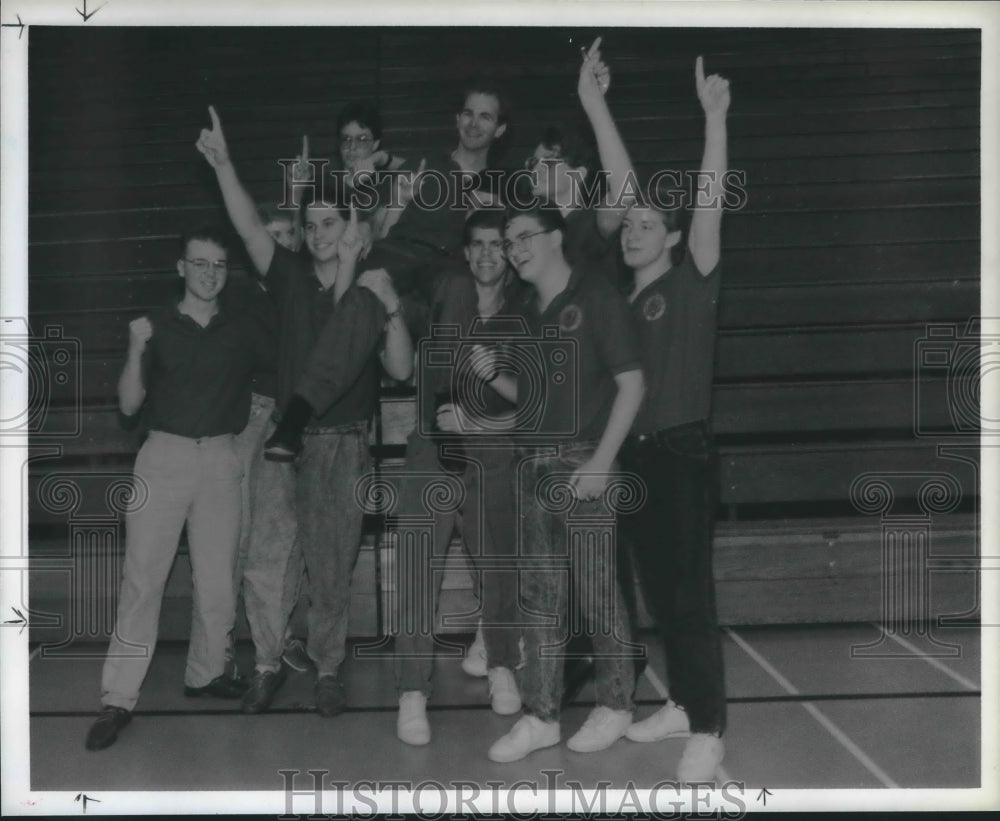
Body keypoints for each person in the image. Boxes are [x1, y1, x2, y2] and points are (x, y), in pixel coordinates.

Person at [196, 106, 413, 717]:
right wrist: (224, 165)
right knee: (268, 557)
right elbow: (246, 229)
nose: (317, 234)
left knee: (330, 567)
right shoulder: (289, 275)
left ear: (351, 226)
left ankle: (326, 668)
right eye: (310, 224)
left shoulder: (372, 284)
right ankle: (267, 663)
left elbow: (400, 369)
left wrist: (391, 307)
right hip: (281, 441)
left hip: (341, 440)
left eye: (329, 223)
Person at [85, 227, 273, 751]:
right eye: (200, 263)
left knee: (217, 580)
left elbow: (287, 362)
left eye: (218, 265)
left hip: (219, 456)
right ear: (181, 268)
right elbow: (127, 406)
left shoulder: (242, 329)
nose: (209, 273)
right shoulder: (155, 326)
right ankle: (118, 696)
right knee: (143, 580)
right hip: (161, 457)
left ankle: (207, 673)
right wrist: (134, 346)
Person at [263, 80, 512, 461]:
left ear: (499, 128)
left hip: (446, 269)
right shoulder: (427, 160)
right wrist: (392, 198)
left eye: (485, 116)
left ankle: (446, 414)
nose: (474, 123)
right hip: (400, 252)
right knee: (365, 294)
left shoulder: (504, 187)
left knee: (461, 288)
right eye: (468, 113)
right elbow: (379, 223)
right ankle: (297, 415)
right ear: (457, 119)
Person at [486, 202, 645, 763]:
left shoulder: (596, 295)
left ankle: (617, 704)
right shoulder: (525, 311)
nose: (515, 249)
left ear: (556, 238)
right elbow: (530, 398)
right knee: (540, 599)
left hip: (584, 462)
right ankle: (541, 715)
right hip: (530, 462)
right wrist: (491, 375)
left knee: (599, 591)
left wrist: (602, 461)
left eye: (524, 237)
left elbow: (631, 384)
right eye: (509, 243)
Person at [618, 56, 730, 784]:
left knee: (688, 595)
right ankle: (687, 705)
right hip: (633, 458)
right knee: (658, 589)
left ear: (672, 234)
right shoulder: (620, 307)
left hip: (681, 453)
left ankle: (711, 726)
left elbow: (711, 203)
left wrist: (715, 122)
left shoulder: (690, 282)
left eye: (649, 222)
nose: (633, 230)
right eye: (628, 223)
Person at [392, 208, 525, 746]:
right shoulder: (437, 299)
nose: (488, 253)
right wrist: (390, 314)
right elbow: (400, 368)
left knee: (498, 564)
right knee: (416, 568)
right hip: (432, 449)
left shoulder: (527, 313)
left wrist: (482, 417)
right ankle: (411, 690)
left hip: (492, 450)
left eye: (498, 245)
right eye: (479, 245)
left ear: (509, 254)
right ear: (466, 252)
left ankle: (500, 663)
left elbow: (545, 404)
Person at [224, 205, 311, 678]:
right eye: (269, 234)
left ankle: (276, 641)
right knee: (238, 541)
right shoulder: (237, 297)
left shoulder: (307, 292)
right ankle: (230, 647)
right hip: (248, 420)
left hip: (295, 418)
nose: (277, 243)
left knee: (283, 542)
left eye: (286, 234)